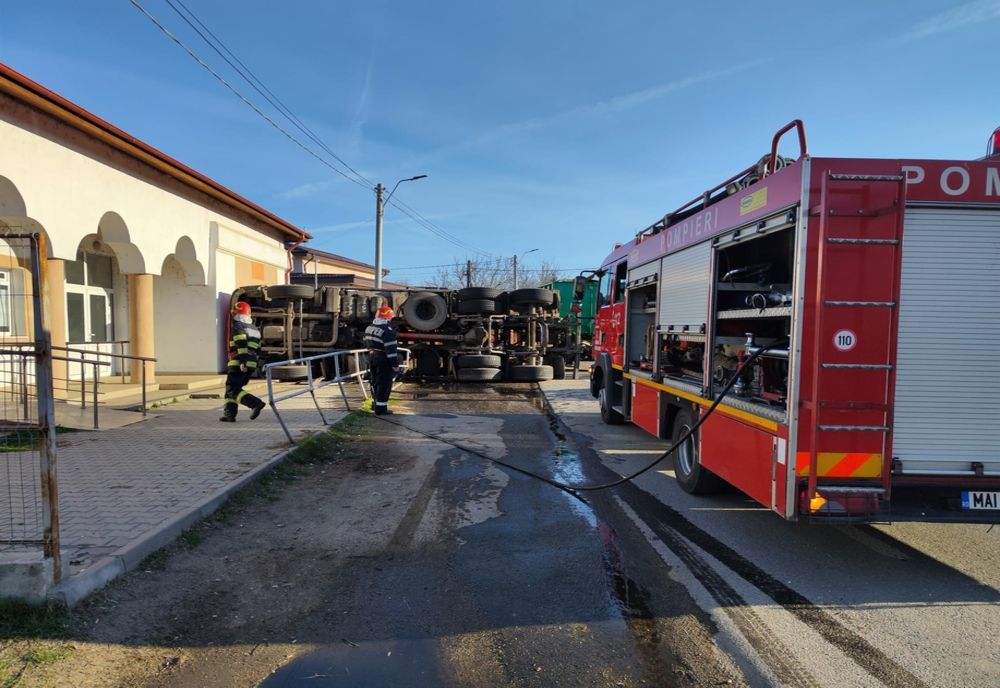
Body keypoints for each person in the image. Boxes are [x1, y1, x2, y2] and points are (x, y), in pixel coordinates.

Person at [221, 301, 266, 422]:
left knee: (232, 390)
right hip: (251, 363)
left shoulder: (238, 326)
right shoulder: (254, 328)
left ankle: (255, 404)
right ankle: (230, 414)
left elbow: (241, 344)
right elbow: (258, 349)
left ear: (236, 314)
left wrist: (242, 361)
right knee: (232, 388)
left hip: (239, 362)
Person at [364, 305, 399, 416]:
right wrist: (395, 365)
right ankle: (381, 409)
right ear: (387, 317)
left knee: (375, 382)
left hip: (372, 357)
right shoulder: (387, 331)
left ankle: (375, 405)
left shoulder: (369, 328)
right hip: (384, 360)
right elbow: (391, 350)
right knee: (384, 384)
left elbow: (366, 342)